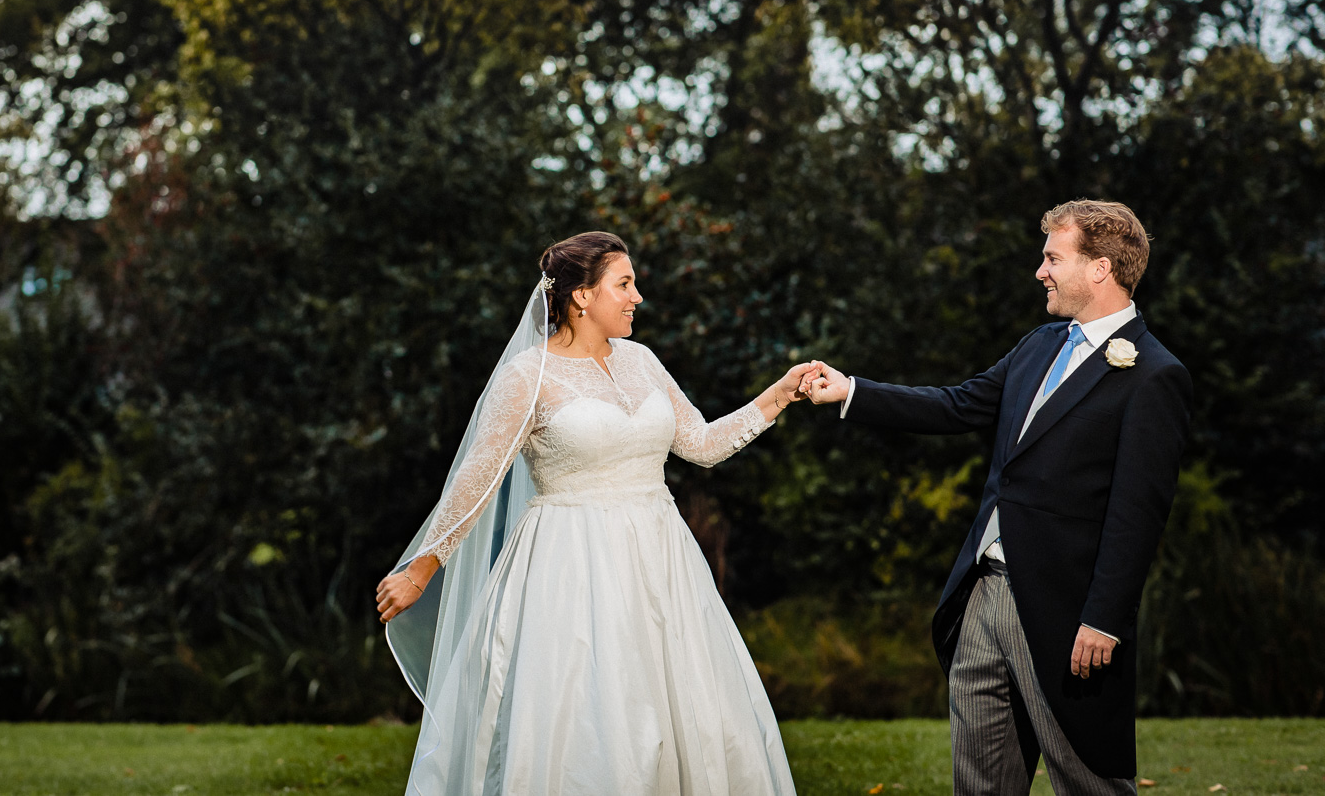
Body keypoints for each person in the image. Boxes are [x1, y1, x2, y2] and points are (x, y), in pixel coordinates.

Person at [376, 232, 808, 795]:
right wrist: (422, 567)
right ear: (582, 295)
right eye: (624, 284)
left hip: (661, 563)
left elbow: (701, 443)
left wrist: (779, 395)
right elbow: (477, 479)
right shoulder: (527, 377)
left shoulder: (643, 361)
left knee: (681, 710)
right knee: (589, 722)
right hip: (569, 567)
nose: (638, 297)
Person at [799, 200, 1191, 795]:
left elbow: (1137, 514)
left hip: (1064, 611)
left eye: (1053, 258)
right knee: (981, 782)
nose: (1040, 271)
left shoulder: (1154, 375)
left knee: (1089, 783)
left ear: (1100, 269)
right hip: (982, 592)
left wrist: (1104, 620)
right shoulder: (1038, 345)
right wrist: (851, 391)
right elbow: (957, 405)